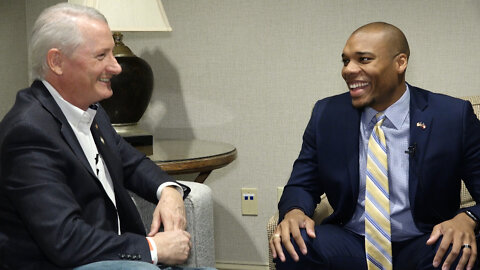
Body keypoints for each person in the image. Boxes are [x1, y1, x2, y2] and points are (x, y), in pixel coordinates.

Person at [0, 3, 213, 270]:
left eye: (112, 53)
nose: (116, 67)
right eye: (101, 56)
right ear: (57, 61)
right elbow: (66, 241)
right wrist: (155, 248)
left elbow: (132, 163)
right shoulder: (28, 133)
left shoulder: (92, 111)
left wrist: (169, 191)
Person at [270, 22, 480, 270]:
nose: (349, 70)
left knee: (462, 251)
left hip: (427, 241)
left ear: (400, 63)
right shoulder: (327, 114)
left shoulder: (451, 116)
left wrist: (468, 218)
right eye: (345, 61)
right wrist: (294, 211)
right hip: (351, 241)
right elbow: (302, 184)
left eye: (364, 59)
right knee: (293, 245)